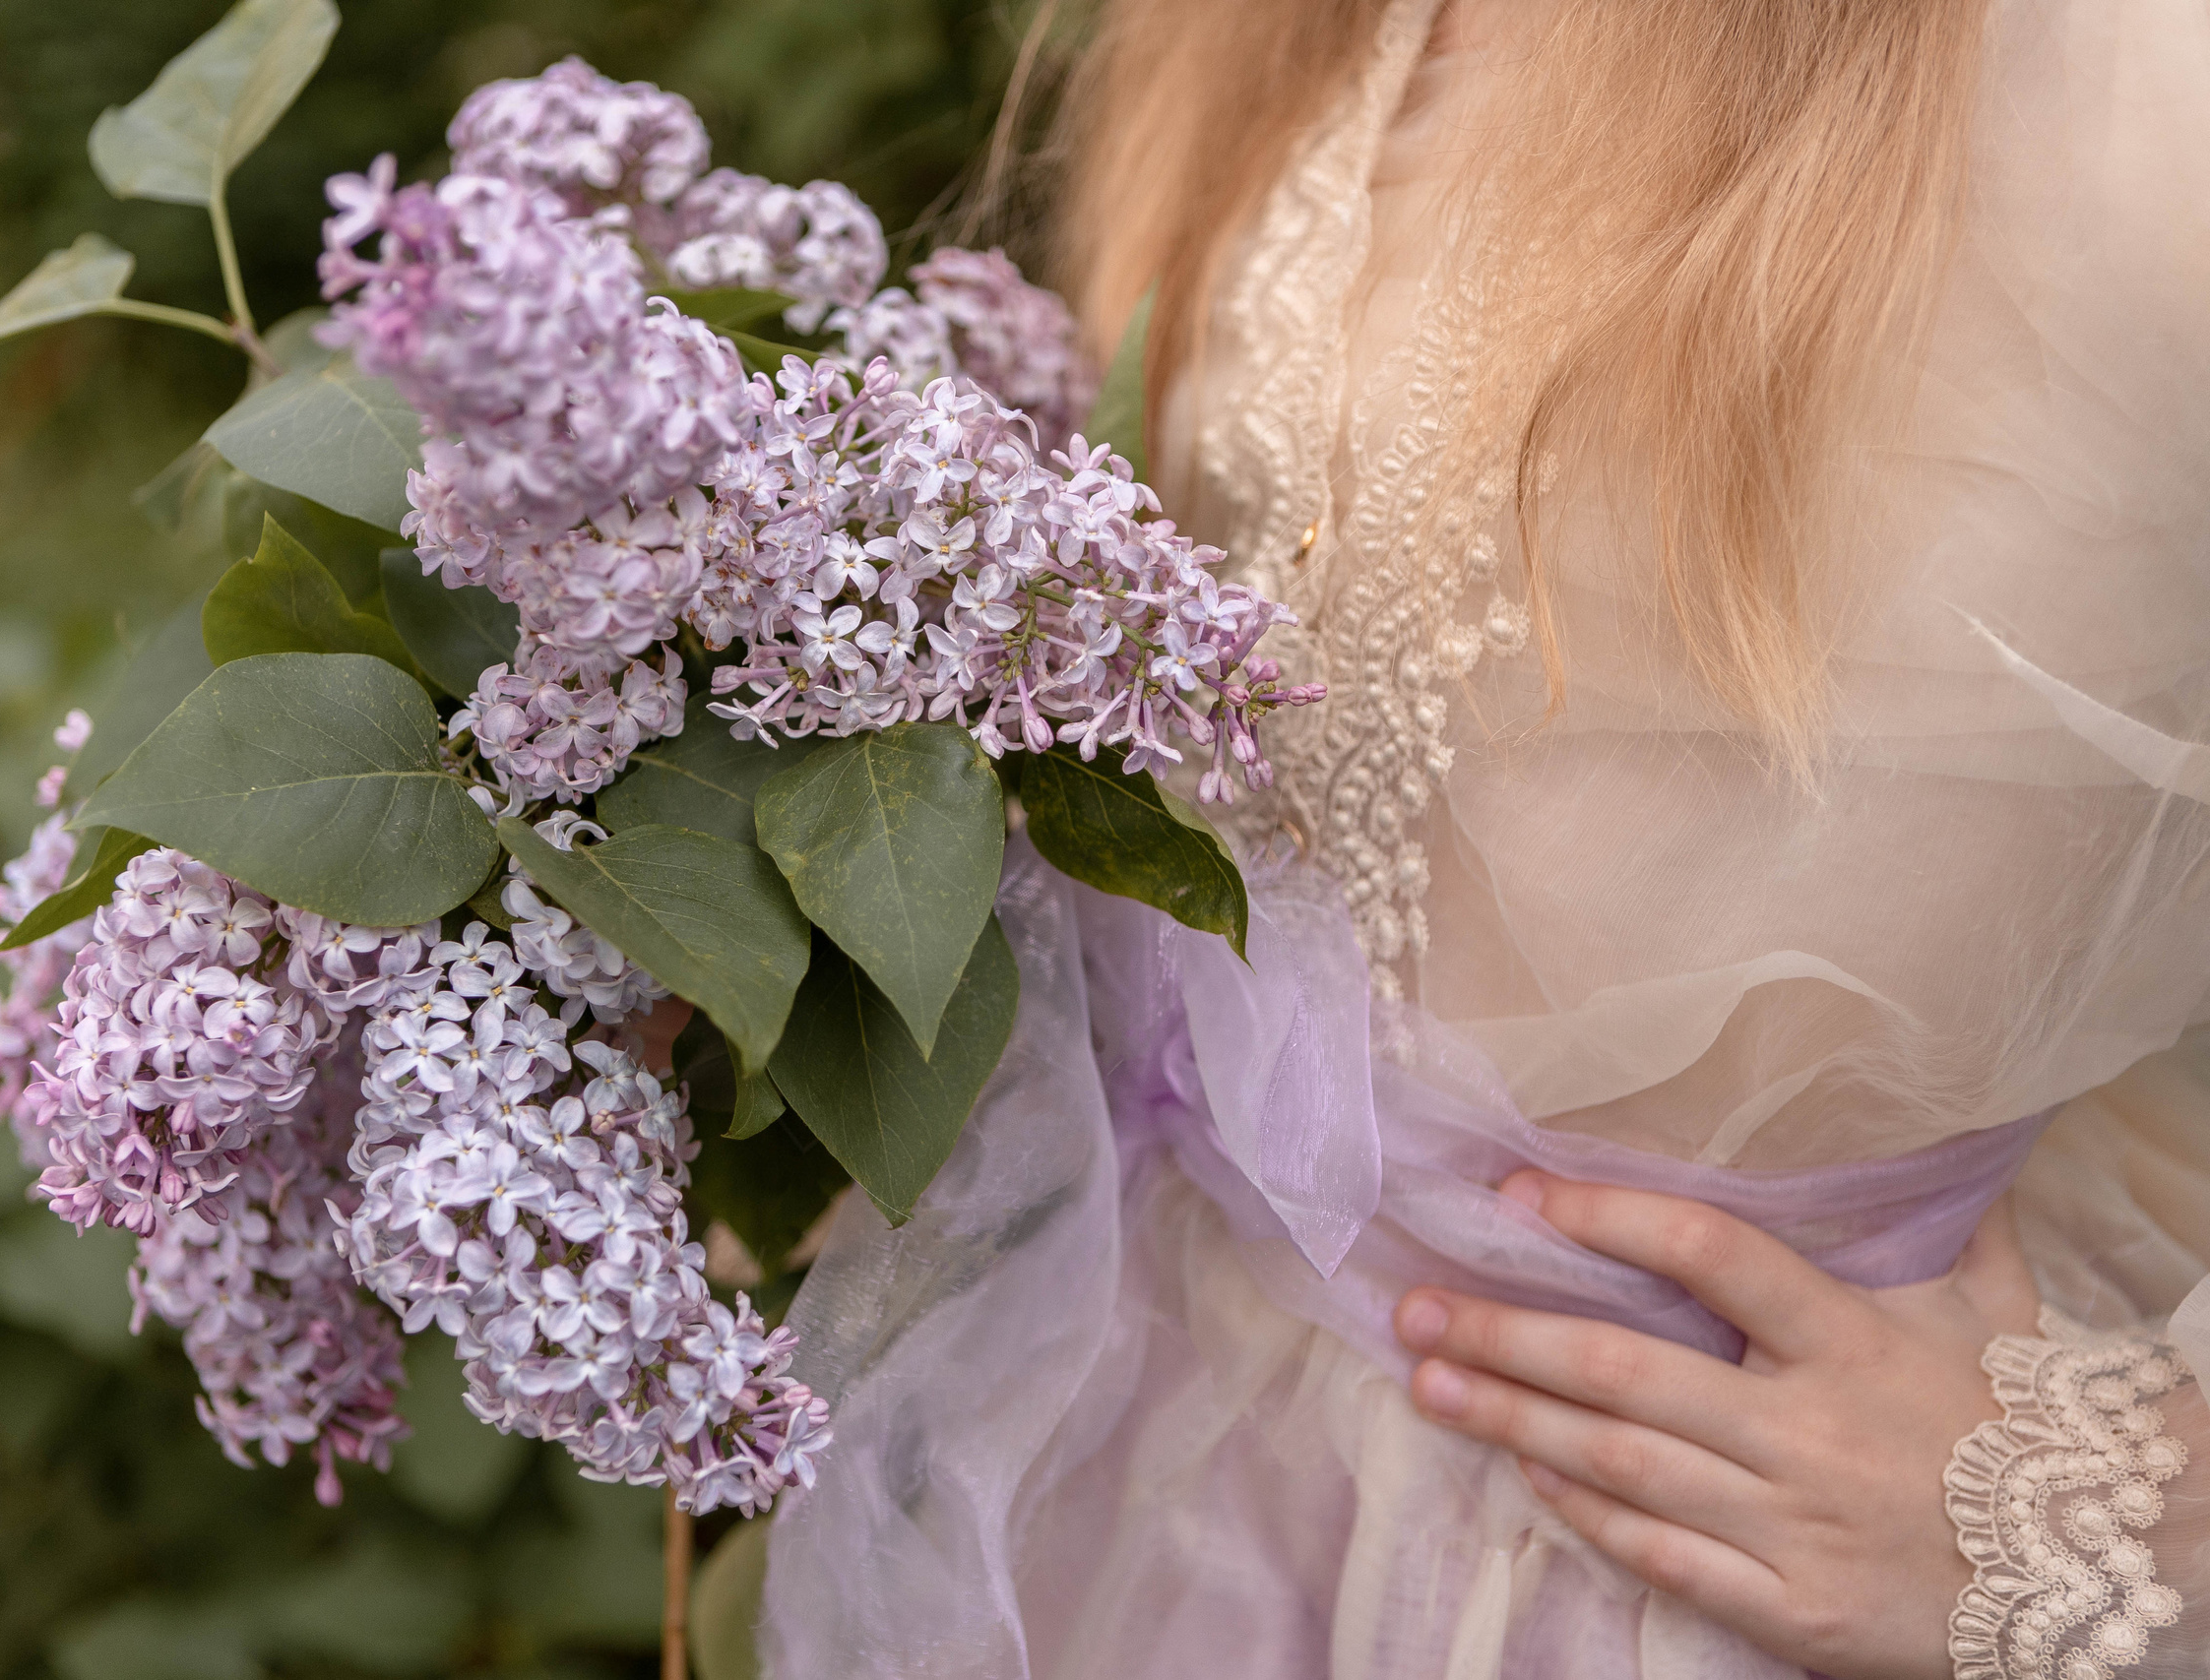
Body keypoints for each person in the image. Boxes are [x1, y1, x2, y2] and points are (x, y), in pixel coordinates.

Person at [756, 0, 2210, 1674]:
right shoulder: (1263, 32)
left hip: (1692, 1573)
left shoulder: (2113, 66)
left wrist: (2112, 1511)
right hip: (1169, 1465)